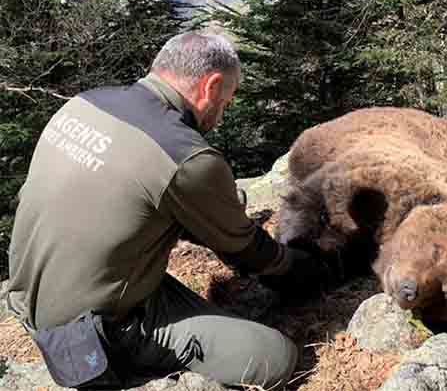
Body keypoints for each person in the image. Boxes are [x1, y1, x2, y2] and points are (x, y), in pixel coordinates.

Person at [4, 31, 329, 389]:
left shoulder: (84, 102)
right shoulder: (184, 155)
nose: (222, 112)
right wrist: (301, 268)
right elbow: (245, 250)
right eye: (227, 101)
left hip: (28, 296)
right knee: (274, 357)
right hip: (91, 332)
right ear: (212, 86)